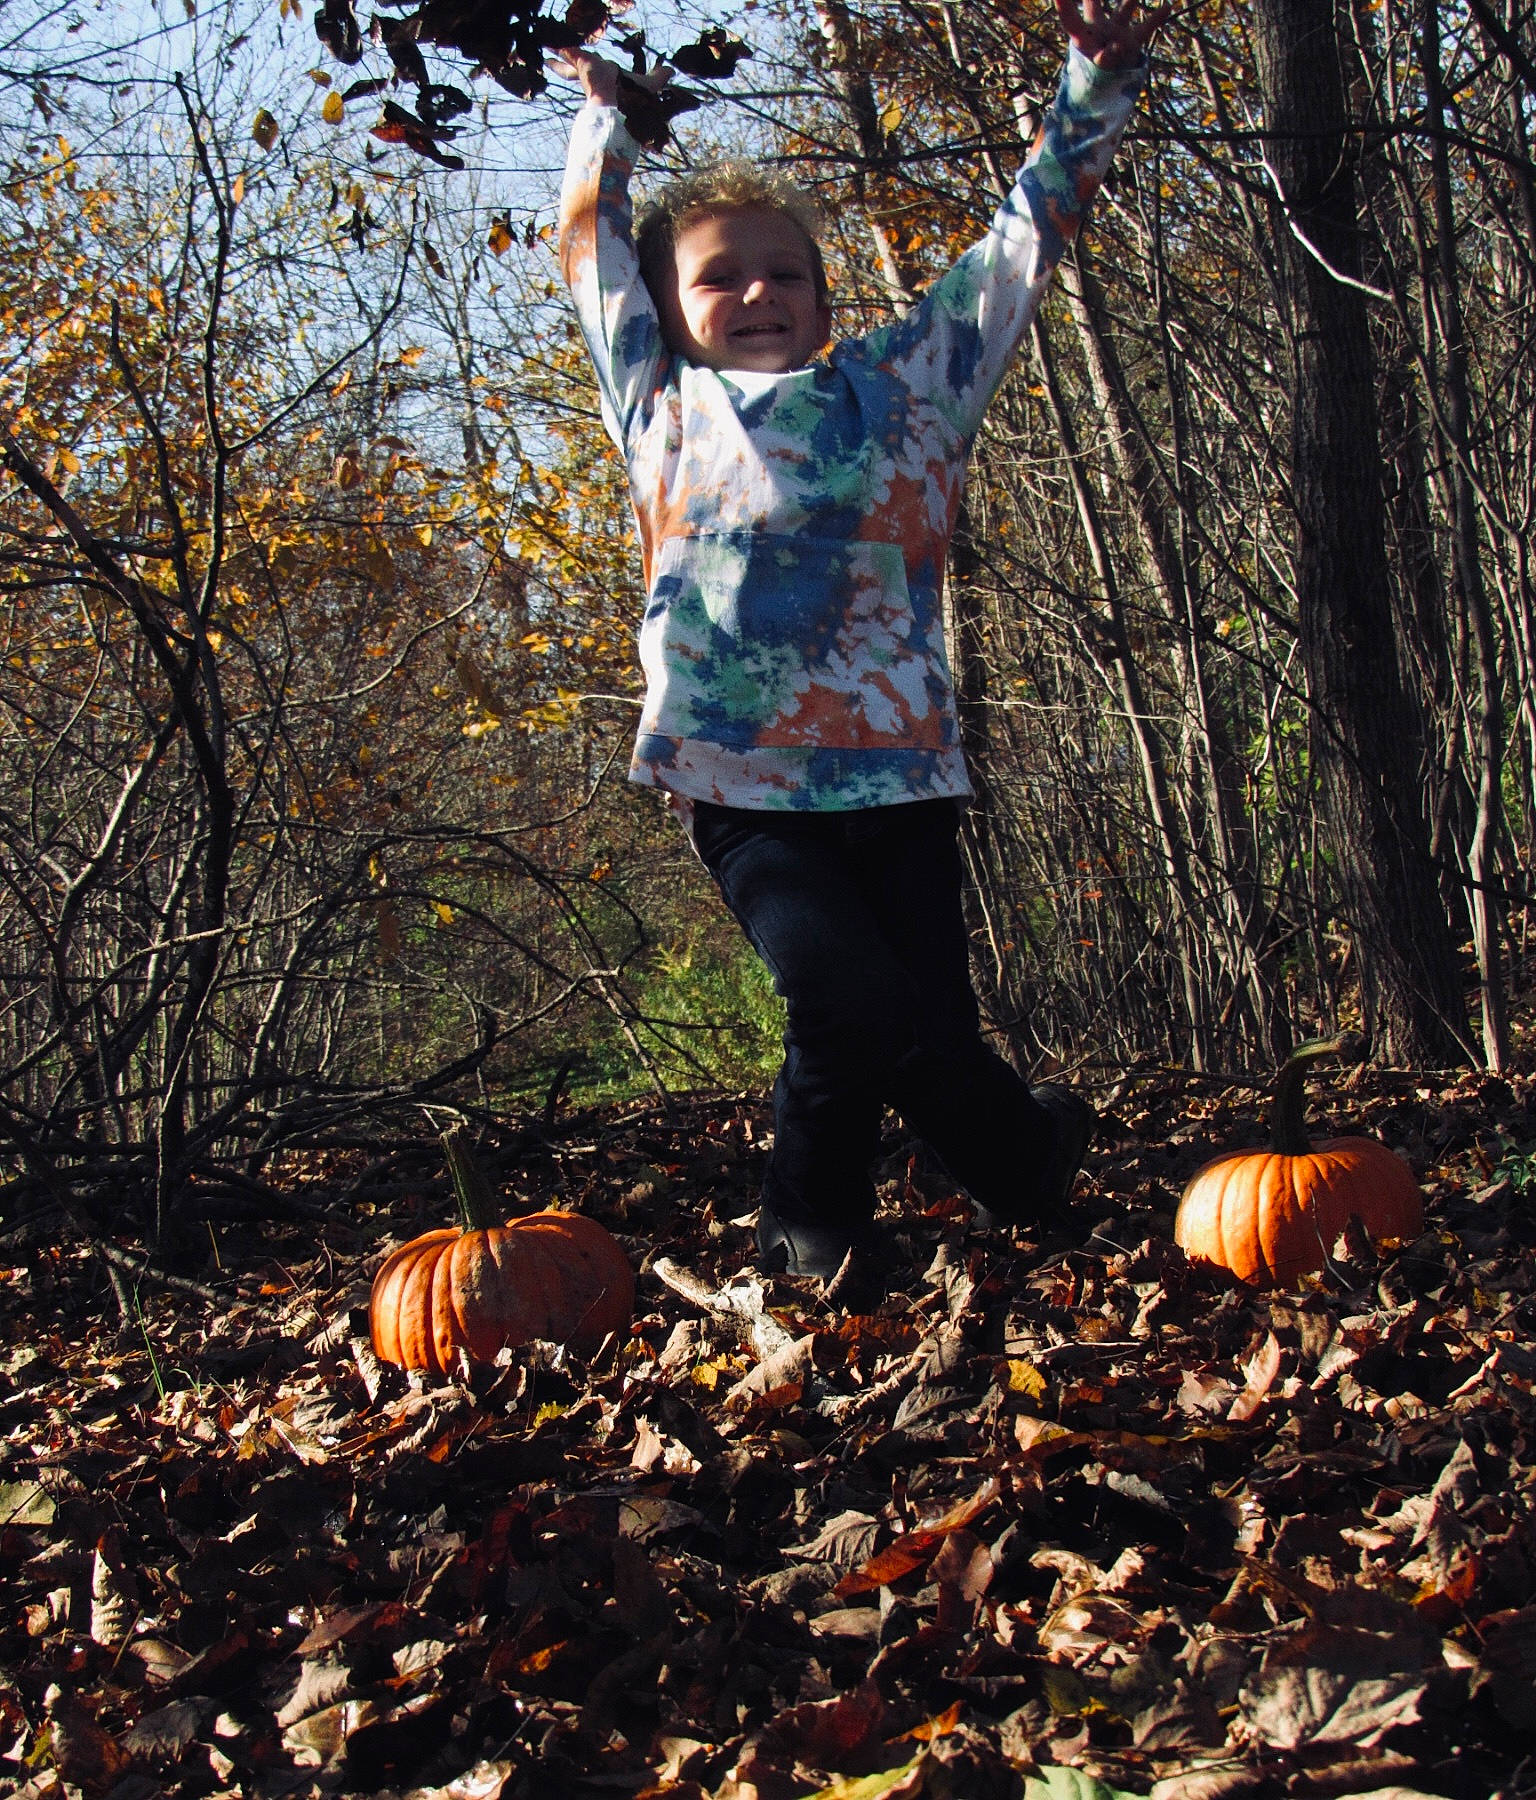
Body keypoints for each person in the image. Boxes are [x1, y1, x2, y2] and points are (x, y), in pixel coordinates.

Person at [554, 0, 1162, 1287]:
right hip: (741, 784)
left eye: (785, 271)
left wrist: (1092, 86)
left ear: (827, 298)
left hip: (900, 777)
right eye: (718, 276)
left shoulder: (906, 390)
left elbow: (1021, 247)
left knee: (932, 1033)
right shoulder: (661, 405)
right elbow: (589, 248)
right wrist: (600, 116)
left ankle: (1022, 1169)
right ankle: (813, 1221)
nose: (757, 291)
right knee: (850, 1002)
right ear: (668, 306)